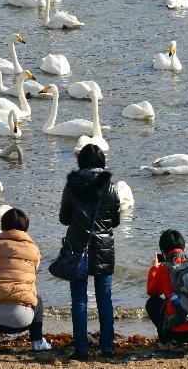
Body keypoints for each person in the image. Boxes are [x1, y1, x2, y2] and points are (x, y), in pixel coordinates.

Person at [58, 143, 121, 361]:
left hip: (77, 247)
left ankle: (82, 350)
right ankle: (107, 348)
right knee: (105, 298)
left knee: (79, 300)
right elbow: (116, 220)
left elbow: (64, 219)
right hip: (104, 248)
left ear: (80, 162)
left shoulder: (71, 186)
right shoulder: (111, 187)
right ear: (102, 162)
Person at [0, 208, 52, 353]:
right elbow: (31, 272)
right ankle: (37, 342)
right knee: (37, 300)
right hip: (19, 319)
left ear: (3, 226)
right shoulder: (34, 250)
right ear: (25, 227)